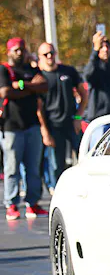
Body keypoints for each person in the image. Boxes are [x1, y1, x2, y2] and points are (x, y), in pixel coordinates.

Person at [0, 38, 52, 219]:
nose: (20, 52)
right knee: (12, 168)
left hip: (33, 125)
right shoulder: (4, 70)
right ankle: (11, 204)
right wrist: (31, 88)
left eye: (22, 49)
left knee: (33, 168)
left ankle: (33, 203)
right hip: (11, 126)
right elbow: (5, 92)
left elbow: (44, 86)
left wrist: (21, 85)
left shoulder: (32, 69)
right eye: (16, 50)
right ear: (9, 51)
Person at [37, 42, 87, 191]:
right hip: (53, 126)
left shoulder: (68, 71)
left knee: (84, 157)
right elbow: (38, 108)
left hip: (71, 123)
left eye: (52, 53)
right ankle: (58, 192)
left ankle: (85, 188)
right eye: (46, 54)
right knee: (56, 165)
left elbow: (84, 94)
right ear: (40, 56)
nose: (49, 56)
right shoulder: (39, 78)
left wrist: (78, 117)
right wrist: (45, 131)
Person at [83, 31, 110, 121]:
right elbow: (87, 74)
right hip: (98, 118)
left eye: (107, 47)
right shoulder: (94, 70)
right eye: (102, 47)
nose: (105, 50)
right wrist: (95, 50)